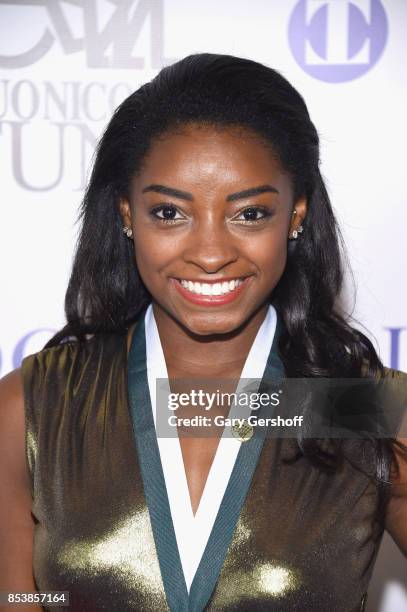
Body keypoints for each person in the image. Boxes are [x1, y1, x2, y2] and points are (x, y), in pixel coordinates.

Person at [0, 53, 406, 612]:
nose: (211, 254)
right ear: (125, 215)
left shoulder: (363, 406)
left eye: (250, 214)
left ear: (296, 214)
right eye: (169, 213)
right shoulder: (35, 407)